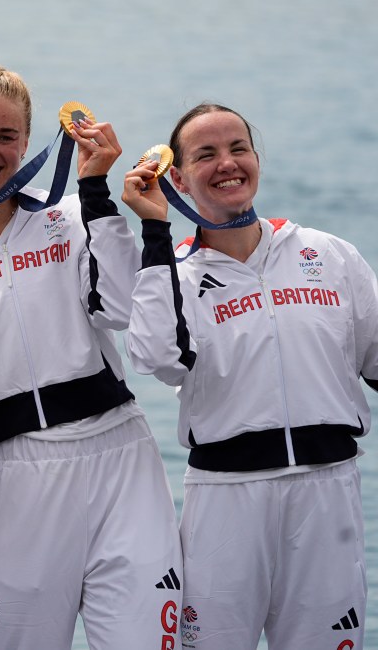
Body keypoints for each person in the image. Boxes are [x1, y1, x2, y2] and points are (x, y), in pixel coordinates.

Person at [0, 65, 183, 650]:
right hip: (18, 472)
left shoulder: (74, 216)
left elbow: (122, 309)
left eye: (7, 137)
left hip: (120, 459)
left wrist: (97, 188)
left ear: (27, 142)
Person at [123, 103, 378, 649]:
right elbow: (155, 354)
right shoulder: (177, 275)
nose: (227, 163)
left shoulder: (329, 255)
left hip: (327, 492)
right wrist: (153, 232)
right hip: (226, 500)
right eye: (206, 154)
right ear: (178, 178)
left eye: (238, 147)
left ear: (256, 158)